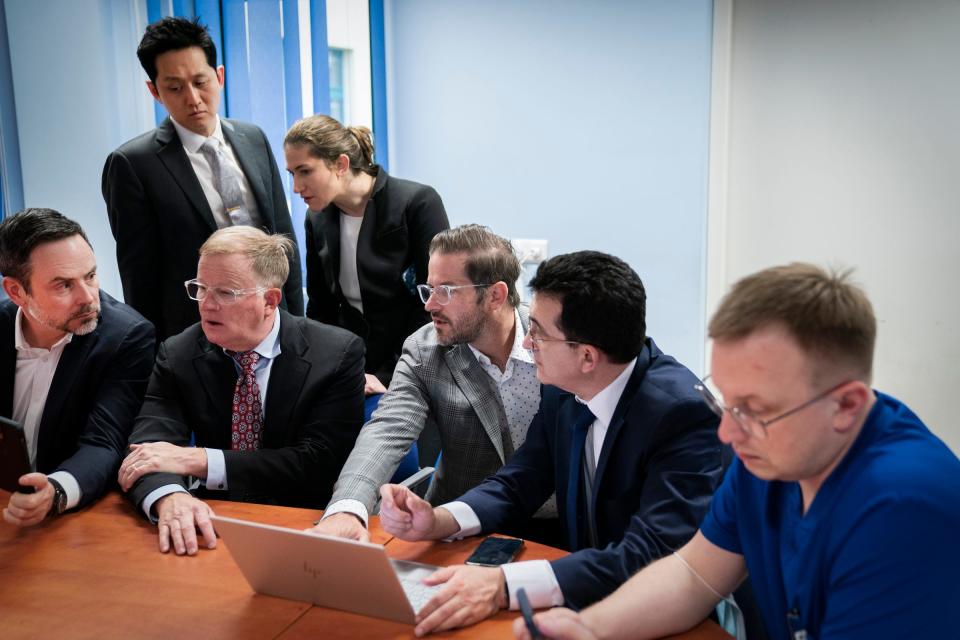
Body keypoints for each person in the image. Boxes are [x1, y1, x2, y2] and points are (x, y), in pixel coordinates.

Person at [514, 263, 960, 640]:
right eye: (725, 401)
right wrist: (588, 628)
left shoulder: (904, 508)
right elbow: (693, 576)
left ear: (846, 406)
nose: (728, 433)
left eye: (755, 411)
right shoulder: (769, 458)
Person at [379, 250, 724, 636]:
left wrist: (504, 584)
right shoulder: (564, 390)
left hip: (654, 616)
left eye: (539, 332)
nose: (527, 343)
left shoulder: (682, 416)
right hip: (578, 596)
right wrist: (439, 520)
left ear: (588, 357)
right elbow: (521, 479)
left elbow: (653, 553)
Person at [119, 226, 364, 557]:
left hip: (308, 525)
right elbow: (147, 450)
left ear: (270, 300)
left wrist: (202, 460)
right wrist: (169, 496)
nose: (206, 304)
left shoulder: (334, 353)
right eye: (200, 288)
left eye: (225, 293)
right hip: (216, 526)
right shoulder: (178, 354)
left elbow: (317, 463)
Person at [310, 224, 552, 542]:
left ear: (495, 295)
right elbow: (386, 431)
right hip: (460, 524)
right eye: (429, 289)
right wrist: (347, 508)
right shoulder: (425, 350)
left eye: (446, 291)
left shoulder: (555, 342)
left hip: (557, 522)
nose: (429, 305)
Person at [102, 16, 304, 342]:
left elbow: (283, 238)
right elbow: (140, 279)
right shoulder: (133, 164)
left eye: (200, 82)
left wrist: (297, 325)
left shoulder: (253, 138)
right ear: (154, 91)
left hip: (272, 321)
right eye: (175, 87)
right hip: (197, 337)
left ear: (219, 76)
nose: (193, 98)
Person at [0, 208, 154, 526]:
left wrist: (55, 491)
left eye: (91, 276)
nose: (88, 298)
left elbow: (104, 441)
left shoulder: (126, 336)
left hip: (77, 516)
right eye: (63, 285)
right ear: (16, 291)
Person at [284, 114, 449, 394]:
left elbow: (437, 304)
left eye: (305, 171)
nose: (296, 187)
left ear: (340, 164)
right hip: (352, 365)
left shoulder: (417, 203)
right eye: (292, 174)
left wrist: (388, 374)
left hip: (414, 363)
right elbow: (320, 306)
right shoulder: (318, 219)